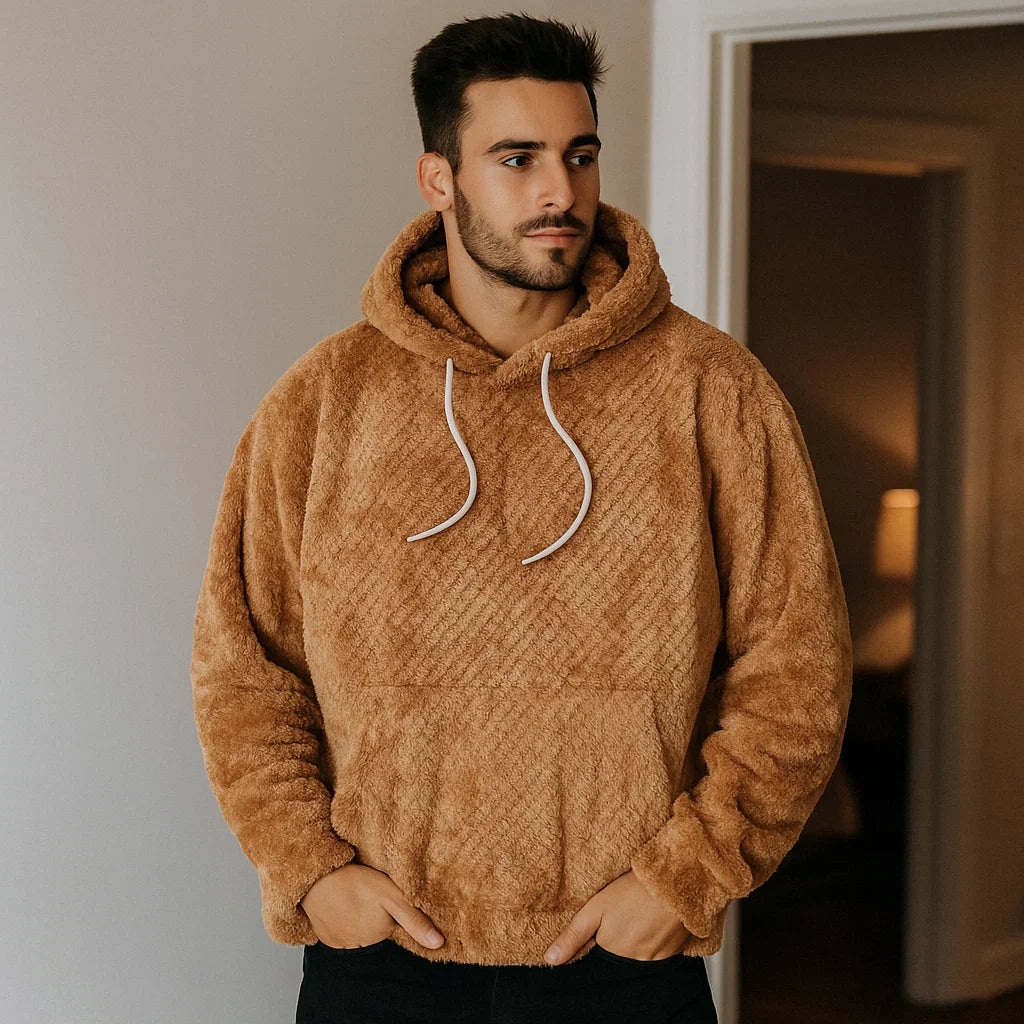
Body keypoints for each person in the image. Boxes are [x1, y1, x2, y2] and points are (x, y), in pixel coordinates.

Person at [190, 12, 853, 1024]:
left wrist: (688, 876)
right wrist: (311, 869)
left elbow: (796, 664)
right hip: (382, 959)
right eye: (517, 159)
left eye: (580, 155)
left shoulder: (710, 388)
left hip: (624, 957)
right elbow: (244, 671)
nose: (560, 192)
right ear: (439, 179)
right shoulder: (323, 402)